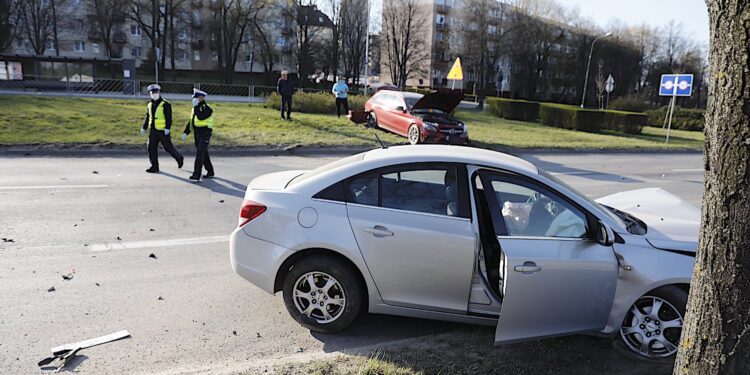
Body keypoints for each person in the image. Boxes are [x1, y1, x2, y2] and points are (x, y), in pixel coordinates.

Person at [141, 84, 183, 173]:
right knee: (151, 148)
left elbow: (169, 117)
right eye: (152, 93)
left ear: (159, 93)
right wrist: (144, 127)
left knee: (168, 148)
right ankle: (154, 166)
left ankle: (179, 157)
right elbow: (148, 117)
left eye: (156, 92)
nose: (154, 94)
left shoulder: (165, 104)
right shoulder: (149, 104)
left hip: (163, 131)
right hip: (153, 130)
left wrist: (167, 128)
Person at [181, 89, 214, 182]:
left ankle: (196, 175)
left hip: (205, 132)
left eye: (197, 97)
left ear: (202, 97)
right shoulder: (194, 108)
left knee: (200, 153)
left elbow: (201, 116)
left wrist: (195, 107)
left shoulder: (207, 108)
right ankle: (210, 171)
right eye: (194, 98)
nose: (194, 99)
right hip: (197, 133)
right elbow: (191, 121)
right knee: (204, 153)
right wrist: (185, 132)